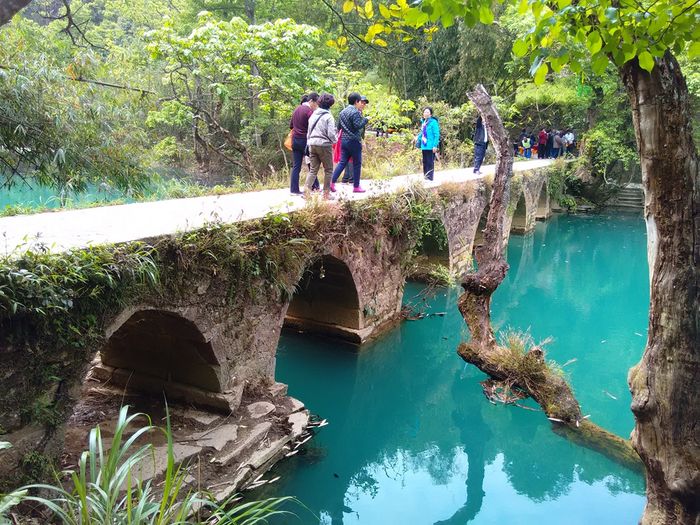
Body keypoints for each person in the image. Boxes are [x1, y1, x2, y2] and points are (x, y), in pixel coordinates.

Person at [331, 93, 369, 193]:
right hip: (354, 141)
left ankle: (332, 182)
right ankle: (356, 186)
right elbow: (358, 126)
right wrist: (366, 120)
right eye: (360, 101)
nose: (360, 103)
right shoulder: (355, 112)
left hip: (344, 141)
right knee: (357, 163)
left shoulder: (342, 112)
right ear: (356, 101)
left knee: (342, 162)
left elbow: (339, 127)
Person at [304, 93, 337, 199]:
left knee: (313, 169)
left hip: (312, 144)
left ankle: (306, 192)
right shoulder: (328, 116)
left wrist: (309, 142)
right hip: (324, 145)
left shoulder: (313, 115)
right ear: (330, 104)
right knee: (328, 170)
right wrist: (335, 140)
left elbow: (308, 131)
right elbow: (331, 133)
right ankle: (326, 194)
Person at [289, 92, 319, 195]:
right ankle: (315, 187)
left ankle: (294, 190)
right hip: (305, 140)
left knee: (296, 165)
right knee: (312, 163)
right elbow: (313, 126)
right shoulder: (309, 111)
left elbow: (291, 125)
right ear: (310, 101)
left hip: (295, 140)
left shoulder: (296, 109)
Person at [416, 107, 440, 181]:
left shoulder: (433, 122)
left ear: (430, 114)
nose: (425, 113)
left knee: (430, 163)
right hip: (424, 145)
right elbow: (422, 132)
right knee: (425, 162)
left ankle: (430, 179)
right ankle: (426, 178)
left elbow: (437, 134)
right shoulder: (424, 122)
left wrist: (435, 146)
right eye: (424, 112)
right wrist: (417, 137)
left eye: (427, 112)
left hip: (430, 146)